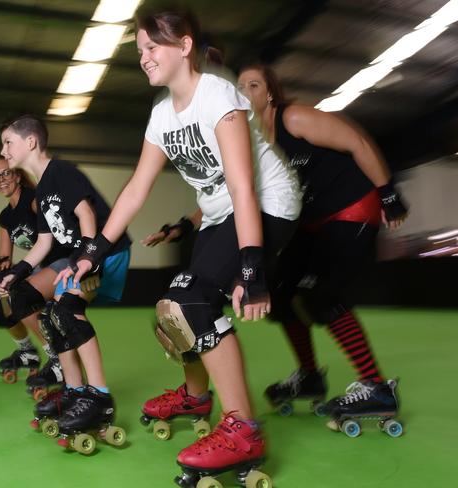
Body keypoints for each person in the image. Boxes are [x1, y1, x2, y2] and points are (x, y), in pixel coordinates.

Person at [63, 9, 301, 483]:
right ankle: (196, 396)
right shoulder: (160, 115)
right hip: (218, 216)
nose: (145, 58)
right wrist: (95, 248)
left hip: (268, 205)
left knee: (190, 301)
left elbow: (242, 186)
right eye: (141, 52)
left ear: (185, 46)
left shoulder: (217, 96)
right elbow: (135, 189)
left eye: (153, 48)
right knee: (175, 312)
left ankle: (243, 430)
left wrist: (253, 267)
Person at [236, 63, 408, 424]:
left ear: (269, 93)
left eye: (254, 84)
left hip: (353, 208)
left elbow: (357, 141)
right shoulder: (251, 147)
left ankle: (377, 387)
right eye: (240, 87)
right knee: (279, 292)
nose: (246, 91)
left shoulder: (293, 119)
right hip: (312, 222)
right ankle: (310, 376)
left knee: (322, 296)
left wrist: (388, 193)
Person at [0, 114, 132, 446]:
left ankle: (99, 397)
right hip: (79, 259)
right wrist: (18, 271)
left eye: (7, 142)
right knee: (49, 315)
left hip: (105, 254)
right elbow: (44, 242)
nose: (3, 150)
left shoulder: (62, 172)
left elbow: (87, 215)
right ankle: (74, 392)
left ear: (31, 142)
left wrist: (88, 261)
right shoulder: (41, 189)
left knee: (68, 309)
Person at [0, 156, 53, 384]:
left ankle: (57, 358)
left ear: (17, 175)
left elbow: (57, 233)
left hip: (57, 265)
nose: (1, 179)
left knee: (20, 297)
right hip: (36, 268)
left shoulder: (33, 200)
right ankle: (28, 352)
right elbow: (5, 257)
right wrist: (2, 272)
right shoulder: (5, 217)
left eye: (6, 173)